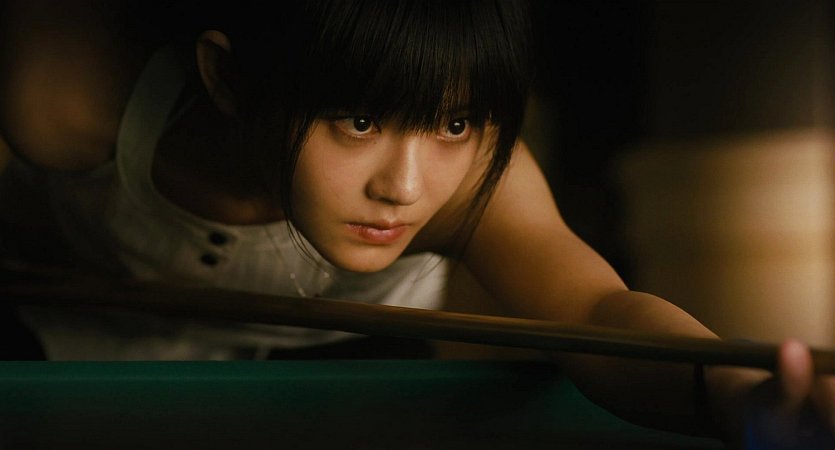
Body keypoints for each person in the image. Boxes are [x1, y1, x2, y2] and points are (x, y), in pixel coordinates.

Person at [1, 0, 834, 447]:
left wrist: (728, 389)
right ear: (228, 77)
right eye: (359, 121)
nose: (404, 188)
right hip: (62, 347)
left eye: (453, 123)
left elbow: (593, 311)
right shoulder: (62, 88)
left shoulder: (476, 180)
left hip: (347, 369)